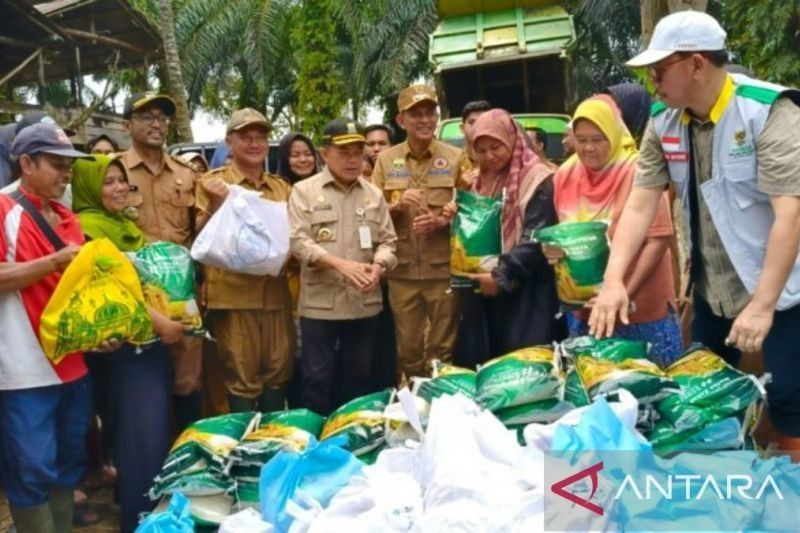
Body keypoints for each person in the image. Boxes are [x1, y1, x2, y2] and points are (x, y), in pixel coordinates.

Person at [588, 11, 800, 457]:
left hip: (781, 293)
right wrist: (612, 282)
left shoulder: (767, 111)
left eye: (660, 71)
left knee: (790, 402)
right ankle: (727, 498)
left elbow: (790, 214)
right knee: (705, 396)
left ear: (697, 64)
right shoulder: (664, 122)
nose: (653, 83)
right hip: (712, 291)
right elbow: (640, 205)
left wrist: (763, 307)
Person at [0, 123, 115, 532]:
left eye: (69, 165)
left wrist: (97, 334)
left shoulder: (69, 218)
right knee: (30, 469)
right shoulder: (3, 208)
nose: (66, 173)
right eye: (56, 164)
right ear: (26, 163)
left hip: (73, 365)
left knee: (68, 464)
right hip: (23, 369)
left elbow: (77, 293)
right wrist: (52, 262)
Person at [71, 154, 184, 532]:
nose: (120, 188)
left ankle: (144, 510)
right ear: (88, 186)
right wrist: (162, 323)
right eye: (109, 181)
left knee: (147, 436)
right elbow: (114, 290)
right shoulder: (88, 228)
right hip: (127, 350)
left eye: (123, 181)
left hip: (146, 344)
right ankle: (142, 520)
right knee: (141, 439)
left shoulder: (123, 225)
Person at [545, 96, 681, 366]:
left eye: (598, 139)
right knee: (598, 390)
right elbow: (565, 232)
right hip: (585, 310)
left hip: (641, 309)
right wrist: (553, 249)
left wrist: (624, 294)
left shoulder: (639, 171)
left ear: (615, 134)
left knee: (651, 388)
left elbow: (659, 239)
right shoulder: (565, 175)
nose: (588, 148)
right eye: (581, 140)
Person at [289, 118, 397, 415]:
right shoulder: (304, 191)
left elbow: (389, 242)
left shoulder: (373, 194)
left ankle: (352, 442)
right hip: (320, 305)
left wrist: (379, 265)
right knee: (316, 380)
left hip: (364, 303)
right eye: (344, 152)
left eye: (357, 152)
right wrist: (340, 265)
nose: (353, 160)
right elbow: (299, 242)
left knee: (359, 380)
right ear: (325, 154)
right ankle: (317, 447)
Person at [196, 108, 296, 413]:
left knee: (279, 371)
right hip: (234, 297)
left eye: (260, 137)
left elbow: (295, 234)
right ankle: (246, 452)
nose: (254, 144)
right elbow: (198, 238)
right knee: (241, 375)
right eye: (245, 137)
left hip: (276, 295)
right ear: (229, 141)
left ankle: (275, 445)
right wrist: (215, 204)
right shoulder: (213, 183)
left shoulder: (281, 187)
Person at [447, 109, 561, 364]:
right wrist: (458, 216)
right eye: (482, 150)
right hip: (486, 290)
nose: (489, 156)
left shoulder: (537, 179)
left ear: (511, 139)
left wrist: (502, 275)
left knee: (523, 367)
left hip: (527, 292)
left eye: (495, 147)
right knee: (487, 369)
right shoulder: (480, 181)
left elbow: (537, 237)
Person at [119, 92, 203, 431]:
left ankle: (185, 458)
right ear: (127, 125)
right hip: (135, 298)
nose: (156, 123)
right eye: (146, 116)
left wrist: (202, 284)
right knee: (140, 387)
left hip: (182, 297)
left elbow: (199, 237)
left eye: (162, 117)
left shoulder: (185, 174)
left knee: (188, 382)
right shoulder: (115, 174)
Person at [371, 85, 464, 380]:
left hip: (442, 270)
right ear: (401, 121)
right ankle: (414, 404)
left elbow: (473, 210)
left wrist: (442, 221)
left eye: (430, 113)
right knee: (408, 349)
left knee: (443, 348)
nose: (425, 120)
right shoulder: (385, 160)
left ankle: (441, 404)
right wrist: (397, 206)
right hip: (403, 273)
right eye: (416, 115)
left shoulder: (456, 157)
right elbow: (370, 211)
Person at [458, 100, 492, 184]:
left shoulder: (499, 158)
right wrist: (460, 184)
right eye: (472, 122)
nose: (477, 126)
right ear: (462, 128)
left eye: (483, 122)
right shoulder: (453, 159)